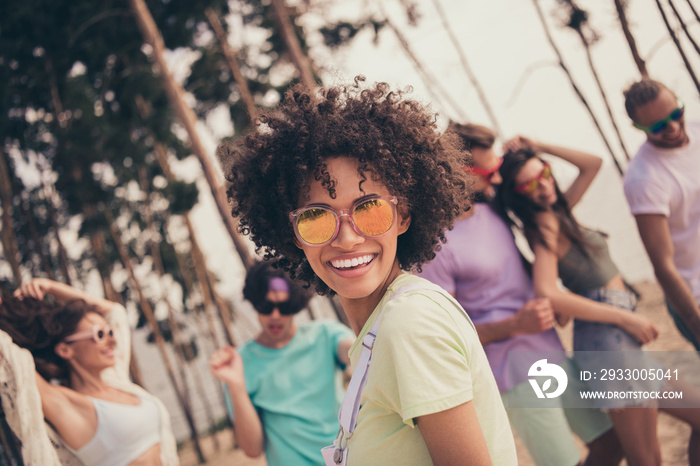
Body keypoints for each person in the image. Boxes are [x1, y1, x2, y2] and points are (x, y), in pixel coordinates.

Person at [217, 77, 518, 466]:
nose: (346, 238)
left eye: (369, 209)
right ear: (292, 234)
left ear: (404, 215)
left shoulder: (409, 322)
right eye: (315, 217)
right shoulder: (381, 329)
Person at [418, 122, 622, 466]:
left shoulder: (493, 211)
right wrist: (514, 325)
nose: (496, 179)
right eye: (487, 172)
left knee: (611, 443)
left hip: (551, 351)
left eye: (496, 169)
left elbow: (516, 263)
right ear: (455, 173)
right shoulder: (435, 249)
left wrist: (547, 293)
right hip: (514, 373)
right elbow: (446, 338)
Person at [496, 139, 700, 466]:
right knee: (646, 459)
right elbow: (547, 291)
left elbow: (592, 164)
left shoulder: (557, 211)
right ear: (517, 195)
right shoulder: (544, 226)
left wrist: (539, 146)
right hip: (610, 341)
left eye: (545, 174)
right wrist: (624, 319)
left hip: (616, 341)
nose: (544, 185)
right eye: (530, 184)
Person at [0, 277, 178, 466]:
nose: (112, 340)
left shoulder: (115, 380)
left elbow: (114, 311)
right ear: (65, 349)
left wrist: (50, 287)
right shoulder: (66, 404)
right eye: (99, 334)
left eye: (110, 332)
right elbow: (14, 362)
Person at [209, 261, 355, 466]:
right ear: (255, 302)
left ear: (297, 304)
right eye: (267, 307)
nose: (275, 316)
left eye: (284, 307)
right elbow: (252, 450)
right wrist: (236, 387)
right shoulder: (239, 365)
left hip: (349, 458)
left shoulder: (326, 334)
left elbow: (355, 351)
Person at [622, 78, 700, 351]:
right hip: (694, 296)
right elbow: (663, 267)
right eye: (657, 126)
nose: (673, 128)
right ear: (638, 128)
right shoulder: (644, 178)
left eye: (676, 114)